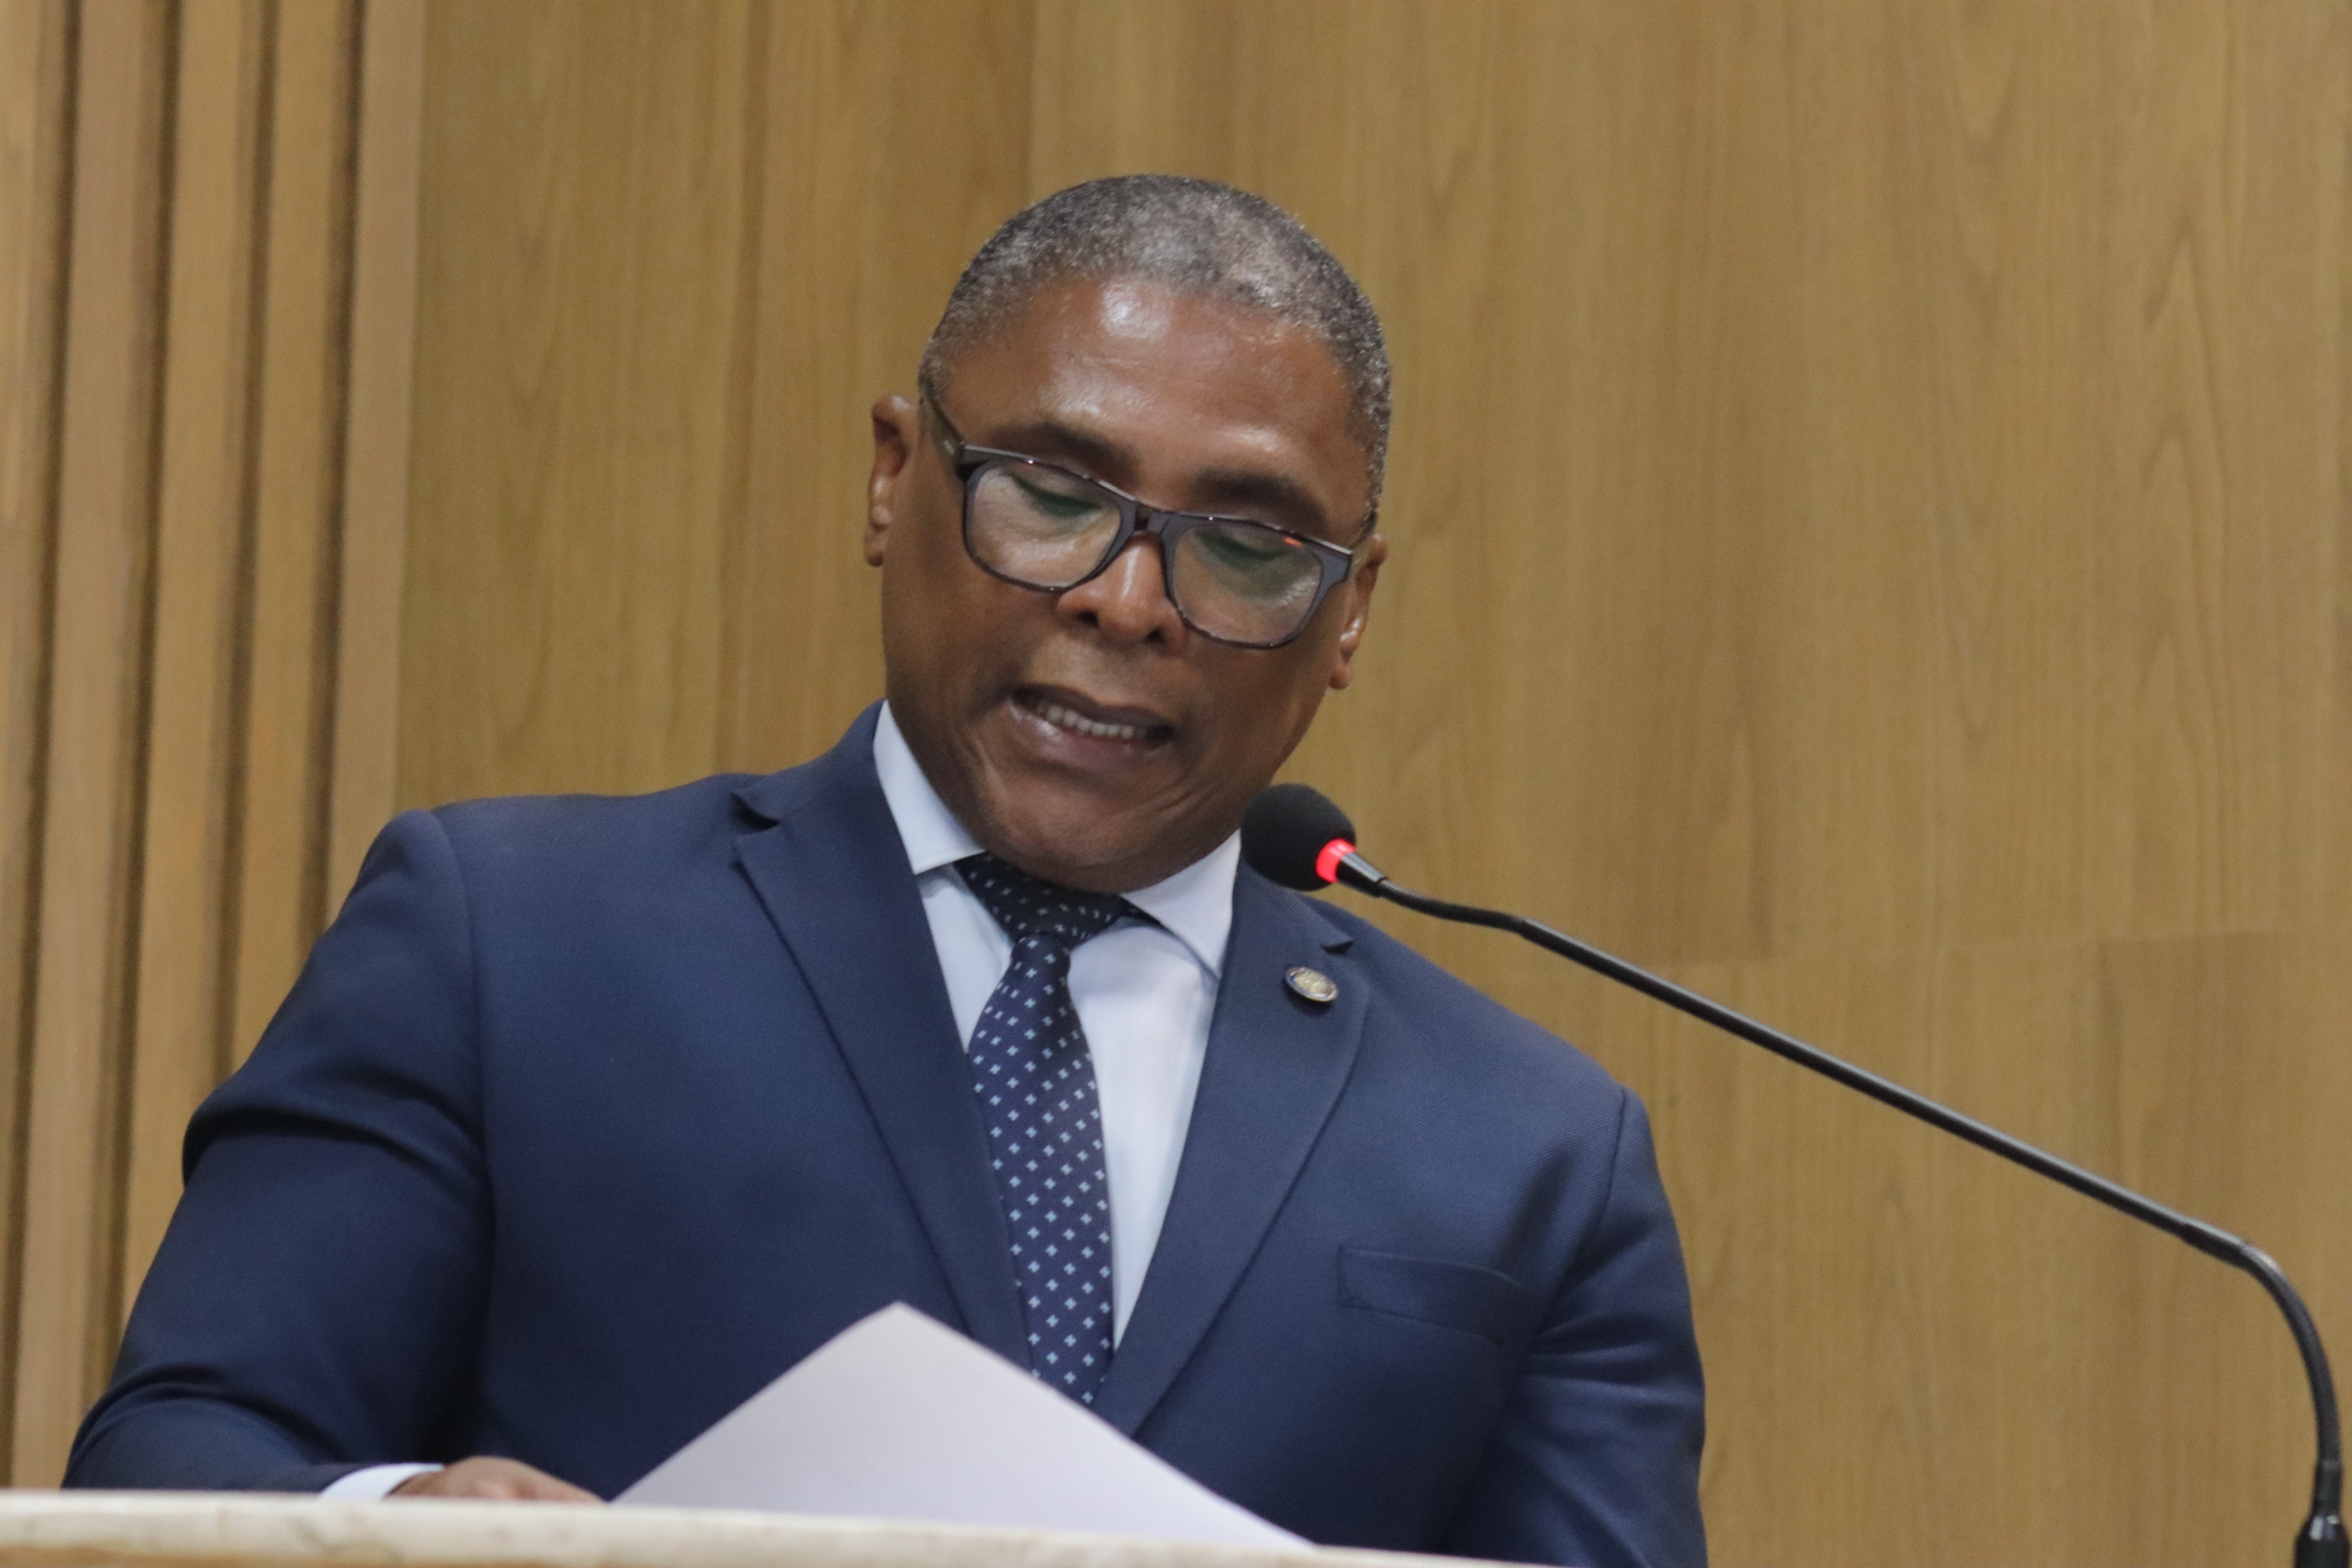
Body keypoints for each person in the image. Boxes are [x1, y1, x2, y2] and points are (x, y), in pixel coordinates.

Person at [66, 176, 1705, 1568]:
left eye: (1248, 546)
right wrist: (400, 1523)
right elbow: (176, 1456)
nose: (1129, 602)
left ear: (1349, 614)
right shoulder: (507, 941)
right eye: (1051, 495)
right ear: (891, 475)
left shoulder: (1536, 1155)